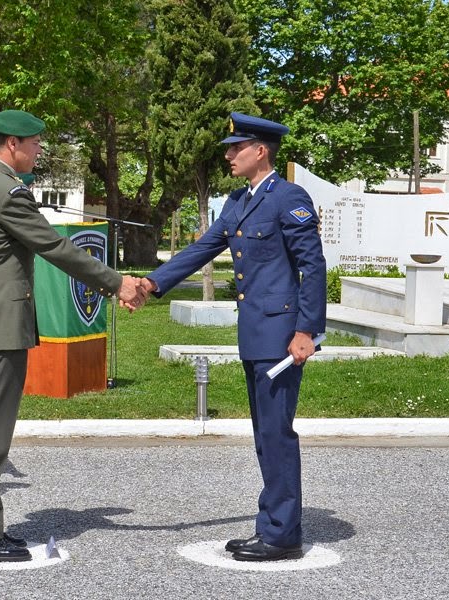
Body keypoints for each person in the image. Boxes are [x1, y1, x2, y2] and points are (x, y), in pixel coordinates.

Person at [0, 109, 147, 562]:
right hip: (1, 327)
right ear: (13, 145)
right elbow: (56, 247)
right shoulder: (6, 192)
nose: (40, 150)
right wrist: (118, 283)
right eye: (36, 143)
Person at [142, 112, 327, 561]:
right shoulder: (238, 201)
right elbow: (204, 247)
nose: (228, 154)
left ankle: (282, 535)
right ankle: (273, 526)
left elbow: (312, 266)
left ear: (259, 151)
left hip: (282, 336)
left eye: (235, 147)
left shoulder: (289, 198)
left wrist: (307, 330)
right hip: (256, 334)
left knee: (276, 433)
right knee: (265, 434)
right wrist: (152, 283)